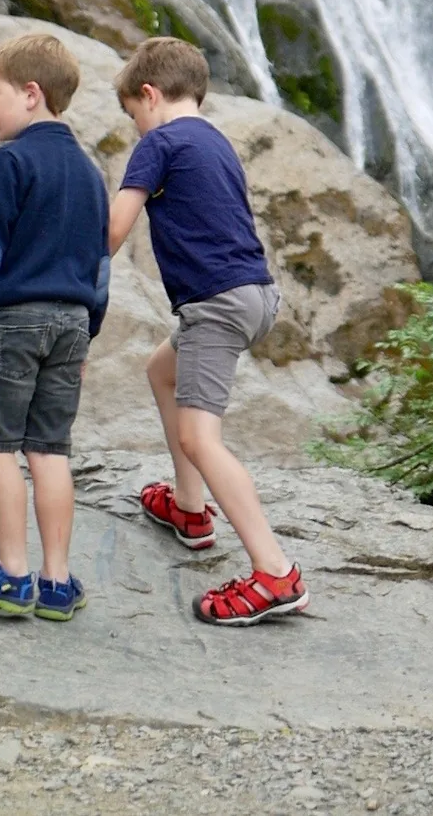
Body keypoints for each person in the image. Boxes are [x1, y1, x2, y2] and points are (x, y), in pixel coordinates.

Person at [109, 37, 308, 626]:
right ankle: (190, 510)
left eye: (131, 115)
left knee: (200, 437)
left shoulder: (159, 142)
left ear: (148, 95)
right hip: (256, 294)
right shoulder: (215, 139)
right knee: (159, 370)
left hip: (215, 305)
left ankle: (275, 574)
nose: (135, 126)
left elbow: (112, 232)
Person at [0, 32, 109, 621]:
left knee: (0, 447)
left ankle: (10, 575)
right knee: (50, 450)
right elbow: (100, 266)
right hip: (73, 323)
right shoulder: (88, 172)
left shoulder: (8, 162)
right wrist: (89, 332)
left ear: (30, 94)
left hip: (14, 323)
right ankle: (56, 582)